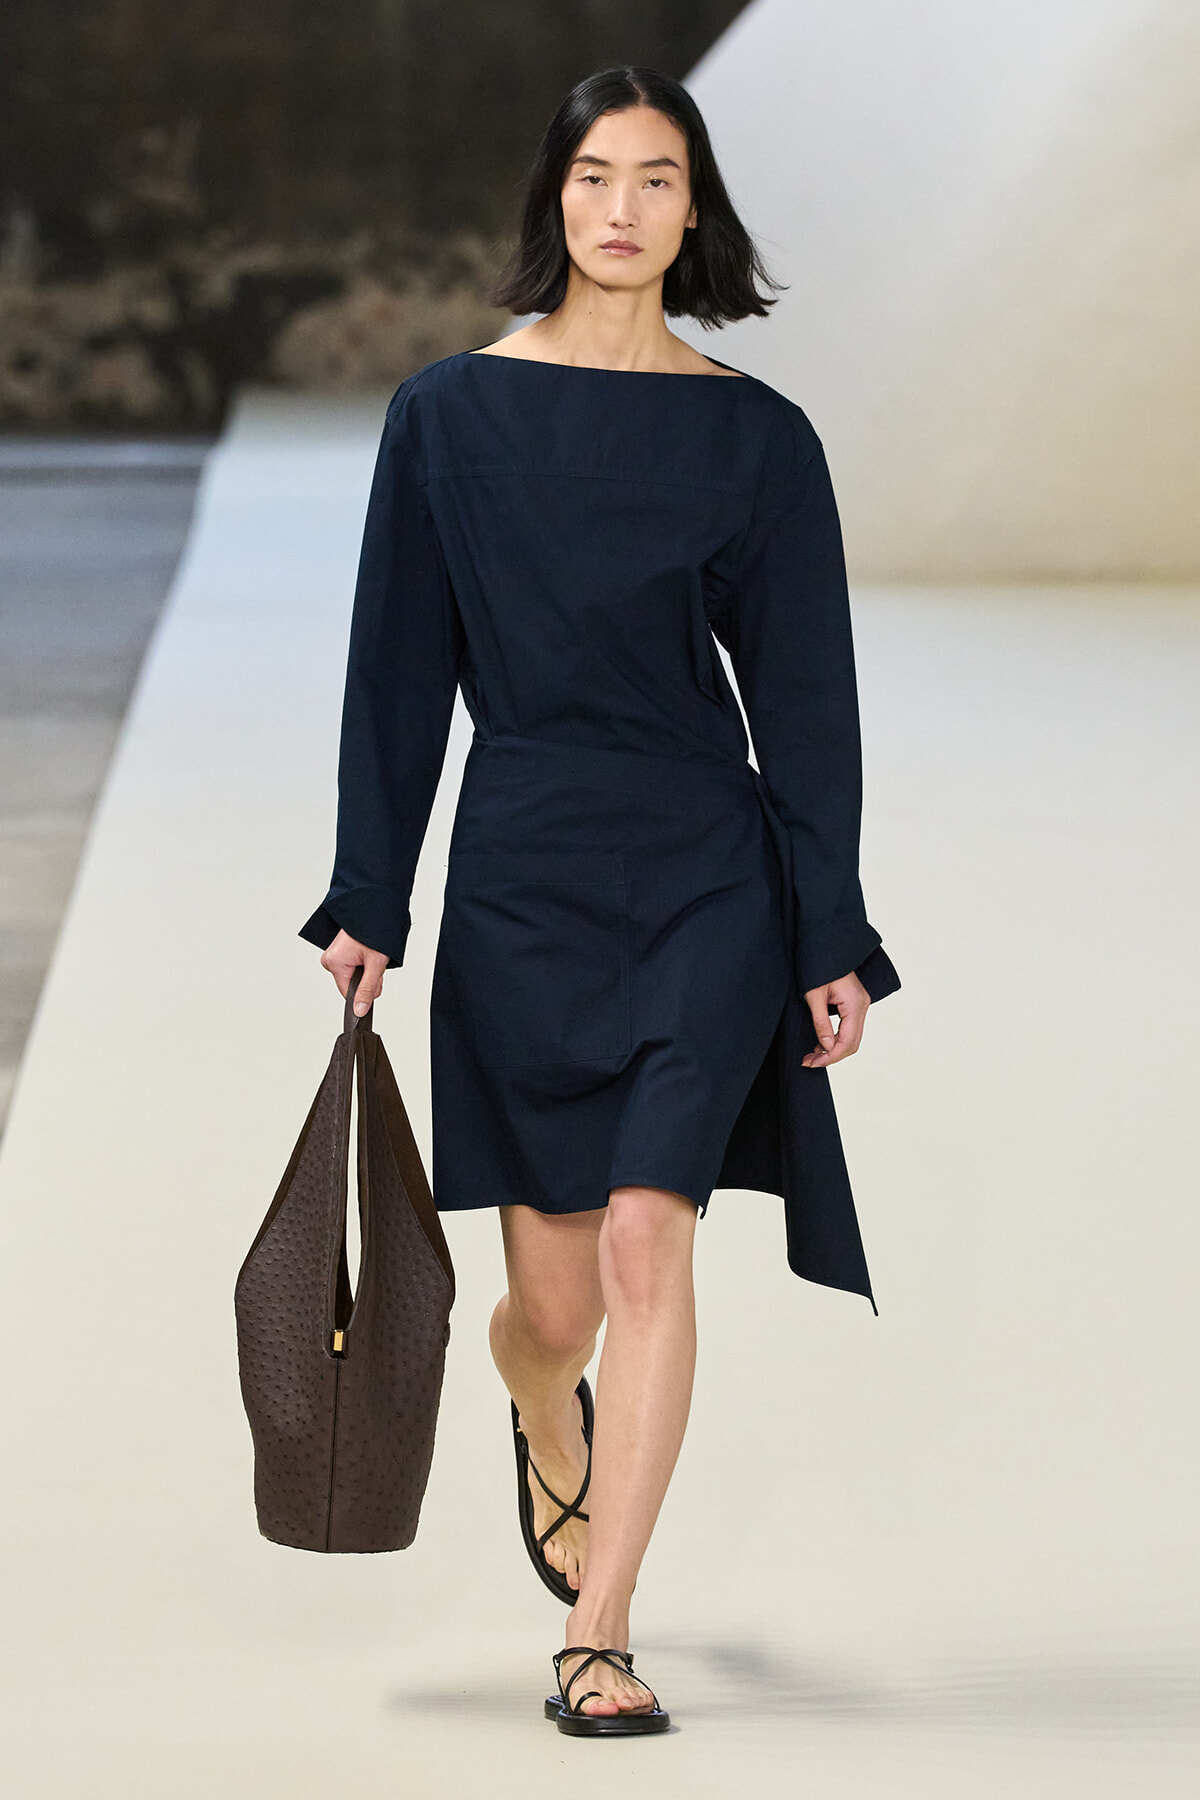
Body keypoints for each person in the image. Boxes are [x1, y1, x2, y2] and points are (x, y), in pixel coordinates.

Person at [300, 65, 899, 1737]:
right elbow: (396, 675)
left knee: (651, 1235)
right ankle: (541, 1406)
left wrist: (830, 930)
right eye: (593, 176)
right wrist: (369, 891)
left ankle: (601, 1626)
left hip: (706, 875)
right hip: (526, 875)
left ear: (695, 210)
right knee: (551, 1306)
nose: (622, 208)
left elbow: (809, 705)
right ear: (553, 200)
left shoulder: (757, 438)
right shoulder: (447, 418)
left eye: (655, 178)